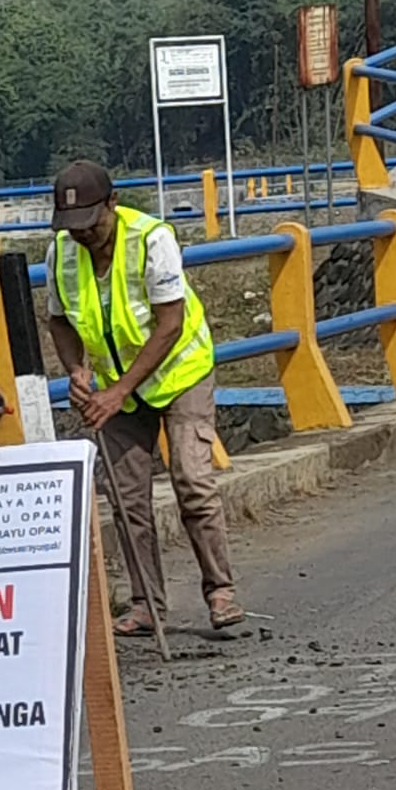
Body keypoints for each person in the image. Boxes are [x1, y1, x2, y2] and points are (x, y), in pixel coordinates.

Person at [46, 159, 244, 633]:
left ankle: (220, 591)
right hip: (117, 389)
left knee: (193, 483)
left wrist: (119, 390)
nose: (82, 235)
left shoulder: (152, 239)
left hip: (179, 375)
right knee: (126, 497)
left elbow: (170, 324)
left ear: (112, 204)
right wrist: (76, 369)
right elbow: (59, 319)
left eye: (90, 224)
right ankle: (145, 603)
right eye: (71, 227)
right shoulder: (60, 253)